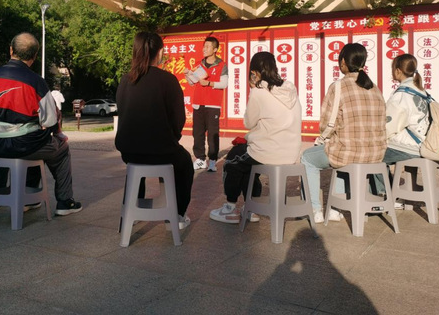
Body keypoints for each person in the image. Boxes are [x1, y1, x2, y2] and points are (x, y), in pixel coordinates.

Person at [0, 32, 82, 216]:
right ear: (35, 56)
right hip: (24, 145)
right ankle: (64, 202)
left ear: (11, 50)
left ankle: (28, 198)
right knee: (60, 148)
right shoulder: (36, 81)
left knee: (38, 140)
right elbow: (50, 120)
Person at [210, 52, 302, 223]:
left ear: (254, 72)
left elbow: (249, 122)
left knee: (233, 159)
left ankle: (230, 207)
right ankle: (251, 208)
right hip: (291, 152)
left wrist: (253, 90)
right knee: (246, 161)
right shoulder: (290, 89)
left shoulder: (259, 91)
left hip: (268, 151)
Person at [116, 32, 194, 230]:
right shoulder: (168, 80)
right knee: (184, 163)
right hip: (162, 151)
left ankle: (134, 208)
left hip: (129, 152)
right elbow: (178, 120)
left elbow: (123, 112)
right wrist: (170, 139)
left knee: (140, 163)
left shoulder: (126, 80)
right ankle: (177, 215)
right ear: (159, 52)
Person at [300, 43, 386, 223]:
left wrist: (323, 138)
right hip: (375, 155)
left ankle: (314, 209)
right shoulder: (375, 88)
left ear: (344, 62)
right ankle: (335, 209)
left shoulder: (338, 86)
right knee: (340, 155)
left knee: (307, 158)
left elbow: (326, 124)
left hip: (348, 152)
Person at [373, 54, 430, 198]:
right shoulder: (420, 91)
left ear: (398, 70)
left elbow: (388, 126)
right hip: (423, 143)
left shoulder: (402, 94)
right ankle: (391, 191)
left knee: (372, 155)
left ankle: (387, 194)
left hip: (410, 146)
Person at [184, 36, 228, 172]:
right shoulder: (199, 64)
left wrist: (209, 83)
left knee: (213, 133)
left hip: (213, 104)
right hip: (198, 103)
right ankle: (200, 159)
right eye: (204, 46)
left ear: (215, 49)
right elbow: (192, 82)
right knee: (197, 132)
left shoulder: (222, 65)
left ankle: (212, 161)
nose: (204, 49)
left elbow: (224, 83)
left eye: (208, 46)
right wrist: (188, 74)